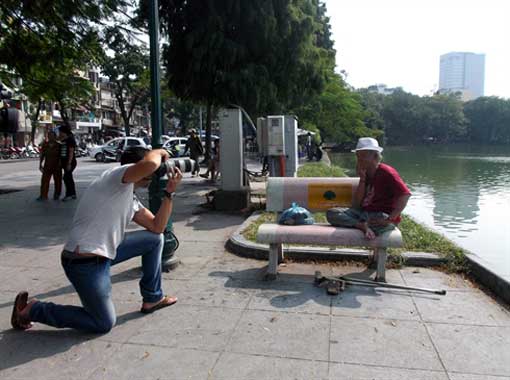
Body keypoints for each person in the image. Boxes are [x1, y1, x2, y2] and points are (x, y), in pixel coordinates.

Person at [10, 147, 182, 333]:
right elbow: (149, 164)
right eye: (150, 171)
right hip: (84, 263)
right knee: (103, 323)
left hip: (104, 254)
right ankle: (32, 310)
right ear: (134, 167)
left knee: (154, 239)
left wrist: (169, 193)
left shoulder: (128, 196)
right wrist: (159, 151)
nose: (154, 173)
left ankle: (152, 298)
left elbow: (158, 227)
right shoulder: (115, 178)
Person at [326, 137, 411, 240]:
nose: (359, 159)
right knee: (332, 212)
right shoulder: (367, 173)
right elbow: (357, 204)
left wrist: (389, 219)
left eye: (363, 155)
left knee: (376, 222)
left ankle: (366, 226)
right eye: (358, 156)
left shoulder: (387, 172)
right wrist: (362, 179)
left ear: (375, 156)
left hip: (380, 216)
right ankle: (361, 226)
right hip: (364, 214)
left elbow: (405, 194)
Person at [37, 131, 62, 201]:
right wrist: (40, 164)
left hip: (57, 166)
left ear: (55, 137)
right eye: (49, 135)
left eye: (52, 135)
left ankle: (57, 195)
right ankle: (43, 195)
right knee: (44, 181)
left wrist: (60, 164)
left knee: (58, 181)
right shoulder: (45, 145)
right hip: (47, 165)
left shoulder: (59, 145)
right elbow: (42, 155)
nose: (50, 137)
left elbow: (61, 156)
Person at [58, 124, 78, 201]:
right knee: (69, 177)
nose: (59, 133)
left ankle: (69, 194)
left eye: (60, 132)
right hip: (64, 162)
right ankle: (73, 194)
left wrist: (69, 163)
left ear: (64, 132)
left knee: (66, 178)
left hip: (70, 162)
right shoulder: (63, 141)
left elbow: (71, 152)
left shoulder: (70, 140)